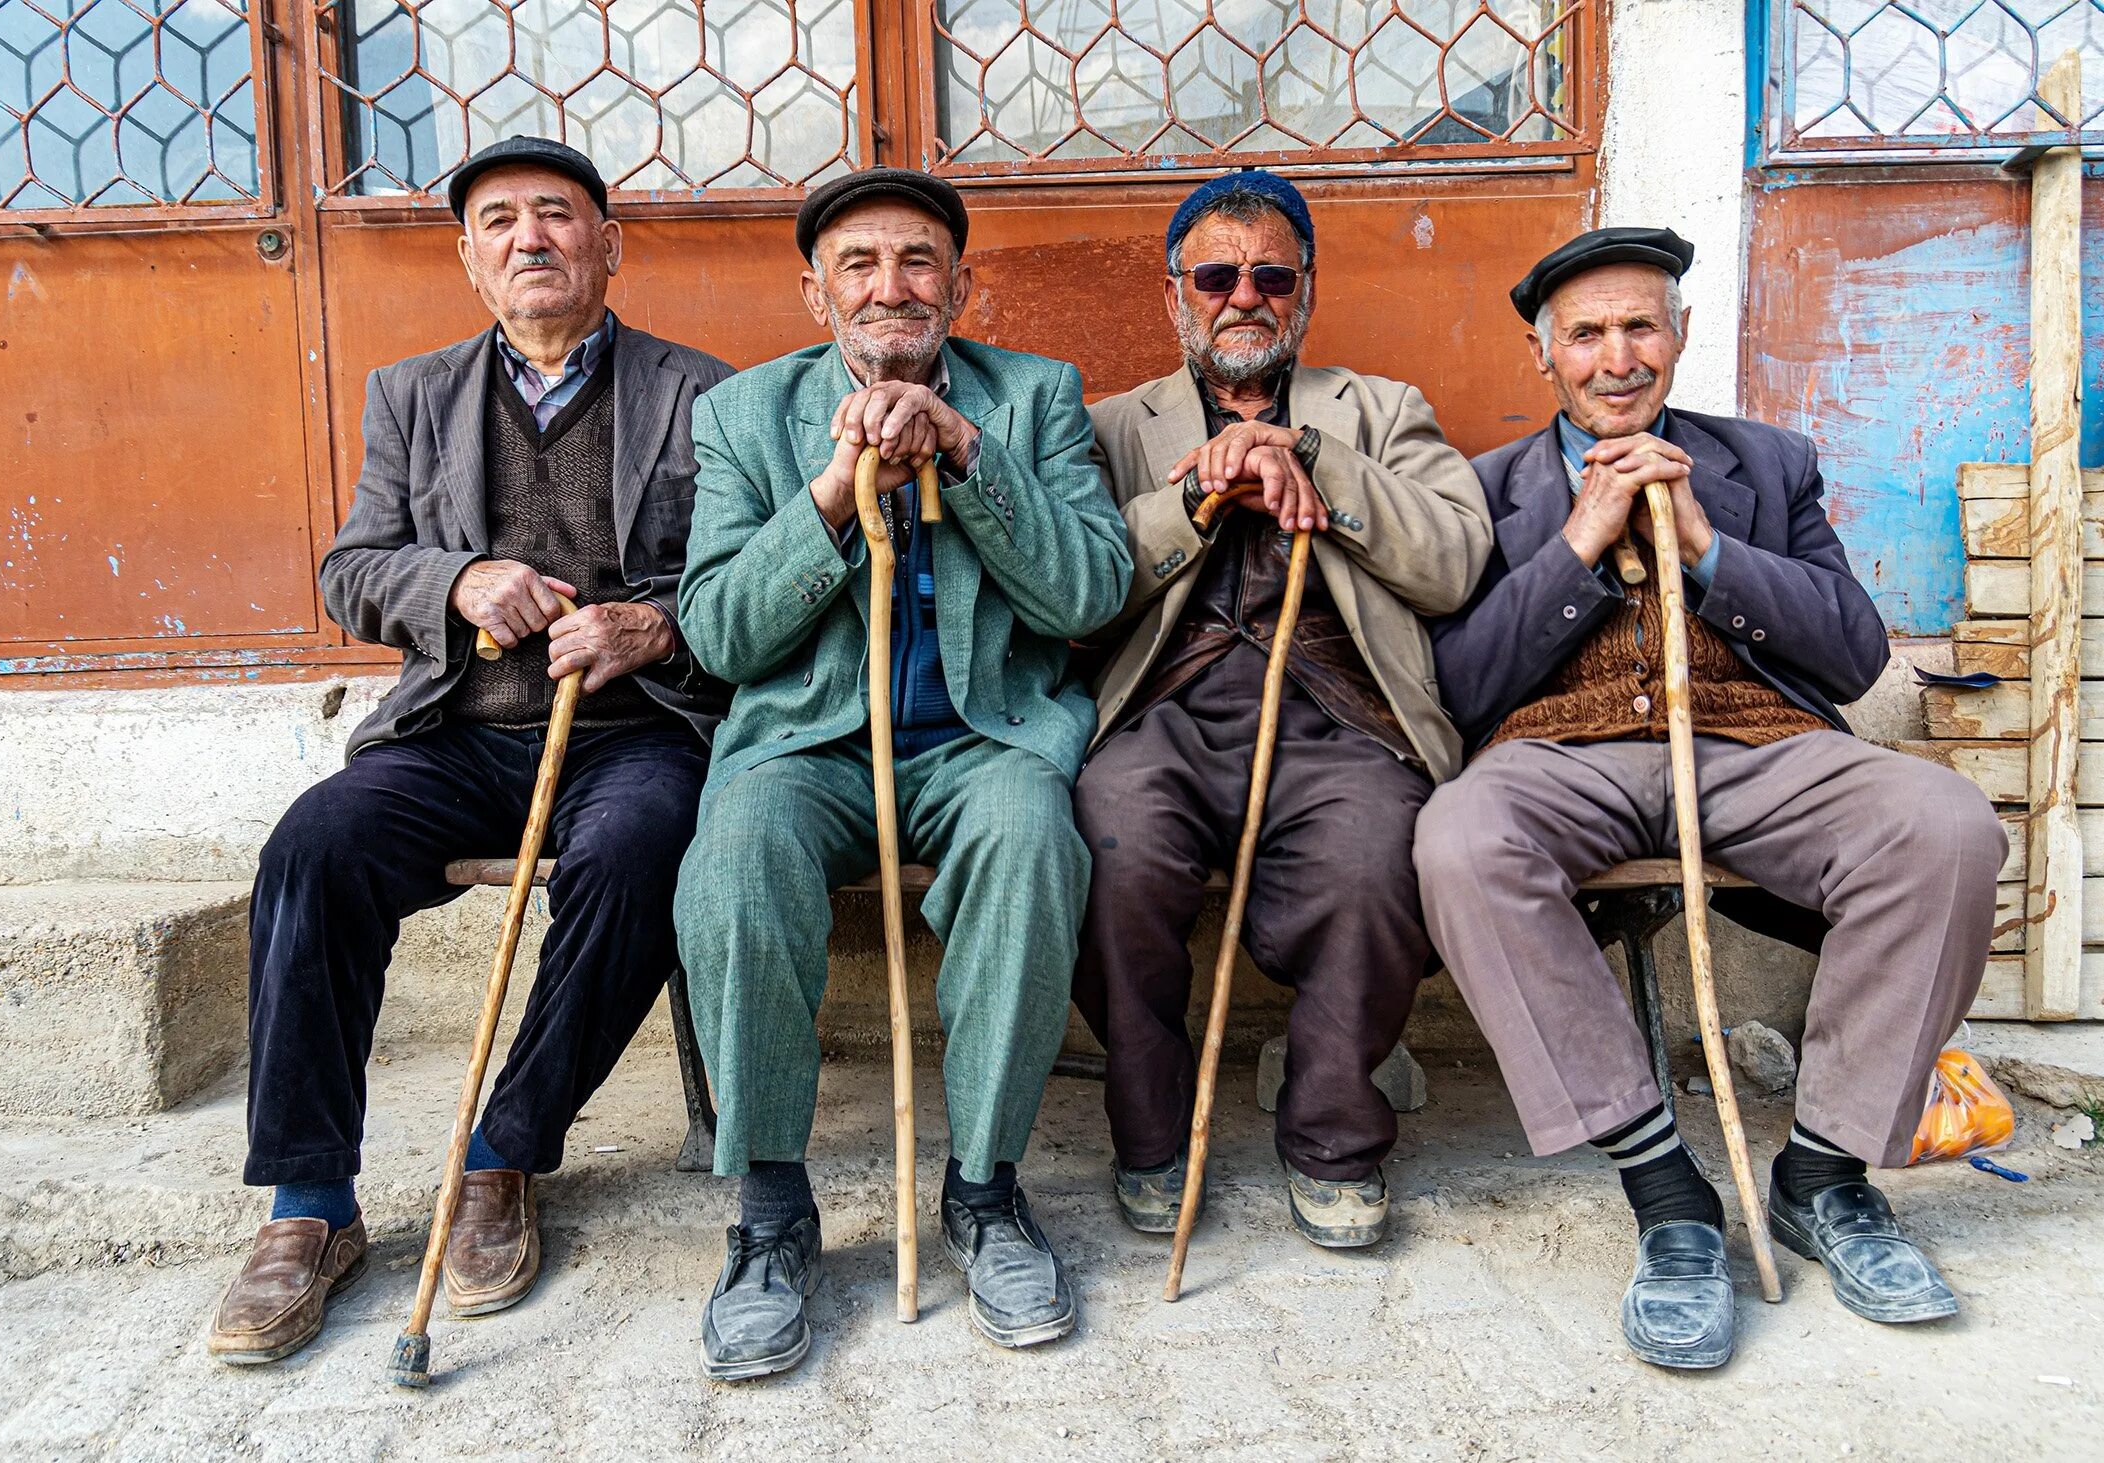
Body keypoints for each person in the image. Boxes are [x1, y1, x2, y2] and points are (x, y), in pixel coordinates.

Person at [1414, 227, 2006, 1369]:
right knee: (1458, 838)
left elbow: (1849, 655)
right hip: (1560, 753)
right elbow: (1460, 685)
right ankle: (1669, 1194)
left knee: (1945, 825)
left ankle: (1824, 1176)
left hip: (1754, 744)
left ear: (1680, 336)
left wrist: (1706, 547)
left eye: (1640, 325)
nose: (1616, 356)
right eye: (1585, 334)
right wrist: (1581, 544)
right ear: (1546, 358)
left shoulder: (1767, 464)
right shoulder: (1481, 490)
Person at [208, 136, 734, 1365]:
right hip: (456, 730)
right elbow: (352, 568)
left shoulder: (704, 391)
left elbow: (745, 578)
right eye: (500, 222)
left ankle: (504, 1153)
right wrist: (459, 579)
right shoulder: (411, 392)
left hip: (632, 732)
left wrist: (651, 622)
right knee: (313, 849)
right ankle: (308, 1203)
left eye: (556, 216)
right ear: (470, 258)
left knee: (644, 850)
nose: (529, 239)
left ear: (609, 243)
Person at [674, 167, 1132, 1378]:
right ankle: (771, 1207)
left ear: (959, 283)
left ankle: (983, 1189)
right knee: (731, 861)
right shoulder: (744, 414)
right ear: (815, 287)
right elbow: (720, 631)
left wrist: (972, 458)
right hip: (810, 744)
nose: (892, 286)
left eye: (919, 262)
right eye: (861, 264)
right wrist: (832, 494)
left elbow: (1090, 588)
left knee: (1034, 841)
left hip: (983, 737)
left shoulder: (1034, 397)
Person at [1071, 171, 1492, 1247]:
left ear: (1304, 290)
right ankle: (1155, 1129)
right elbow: (1067, 592)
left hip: (1338, 715)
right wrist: (1193, 499)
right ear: (1177, 295)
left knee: (1371, 859)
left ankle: (1334, 1138)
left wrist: (1311, 457)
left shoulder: (1381, 410)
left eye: (1270, 275)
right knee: (1111, 845)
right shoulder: (1112, 424)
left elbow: (1453, 563)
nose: (1242, 296)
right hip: (1161, 716)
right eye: (1216, 275)